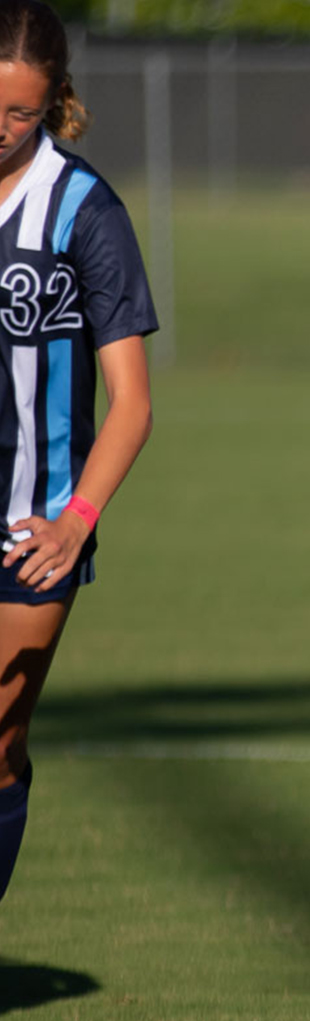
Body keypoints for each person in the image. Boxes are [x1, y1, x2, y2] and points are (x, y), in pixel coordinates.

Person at [0, 0, 158, 909]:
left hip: (35, 526)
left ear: (55, 100)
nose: (1, 127)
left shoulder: (83, 209)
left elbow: (132, 404)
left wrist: (77, 521)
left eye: (21, 113)